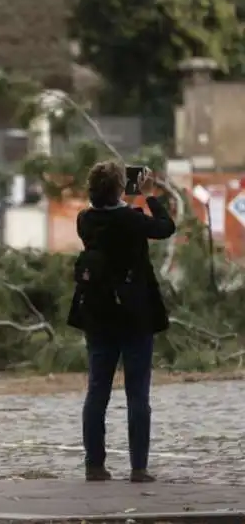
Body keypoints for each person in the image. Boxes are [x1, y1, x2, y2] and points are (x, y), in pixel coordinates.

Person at [67, 160, 176, 483]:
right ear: (119, 188)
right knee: (137, 393)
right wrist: (148, 195)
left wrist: (125, 202)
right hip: (134, 315)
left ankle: (94, 465)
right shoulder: (131, 220)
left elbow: (107, 217)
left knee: (97, 391)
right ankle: (138, 467)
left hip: (98, 314)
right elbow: (165, 227)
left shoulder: (85, 220)